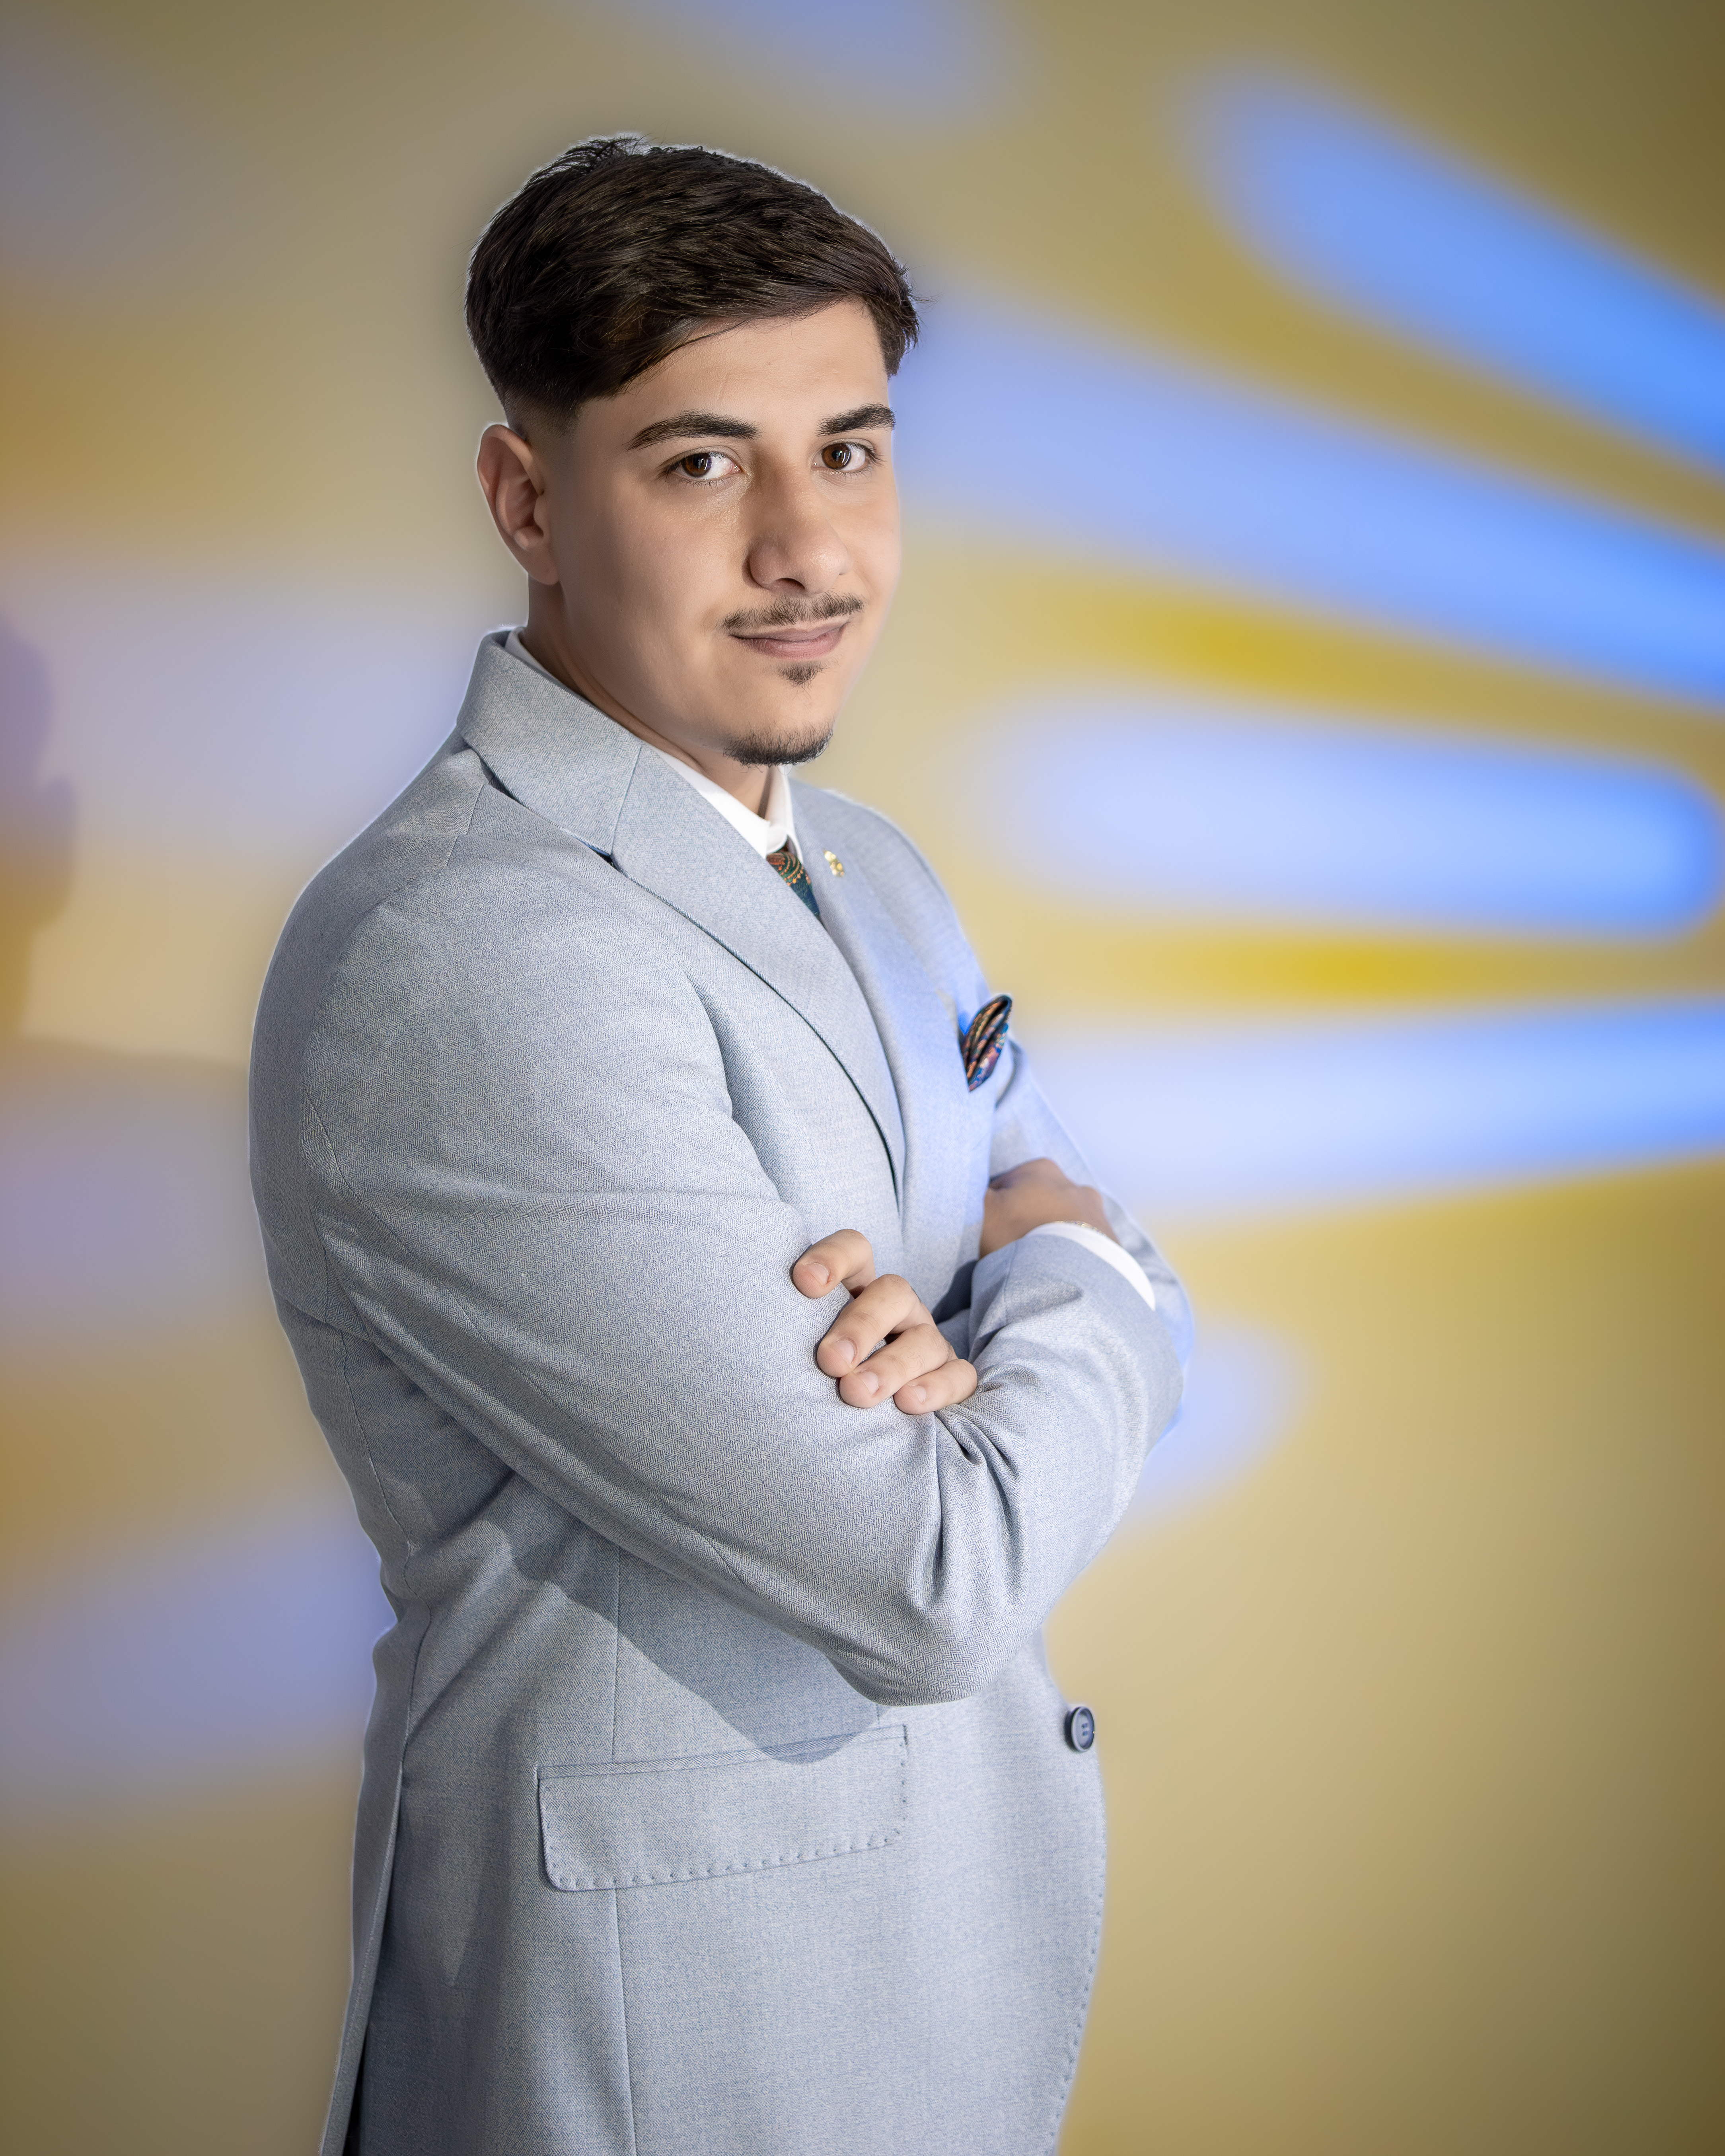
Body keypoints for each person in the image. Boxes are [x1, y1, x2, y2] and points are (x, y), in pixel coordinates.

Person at [250, 136, 1189, 2156]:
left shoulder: (872, 867)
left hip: (914, 1970)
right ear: (528, 501)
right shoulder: (471, 956)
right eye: (700, 464)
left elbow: (1079, 1224)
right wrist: (1075, 1264)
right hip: (665, 2039)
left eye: (848, 452)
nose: (808, 550)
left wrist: (1030, 1275)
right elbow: (932, 1572)